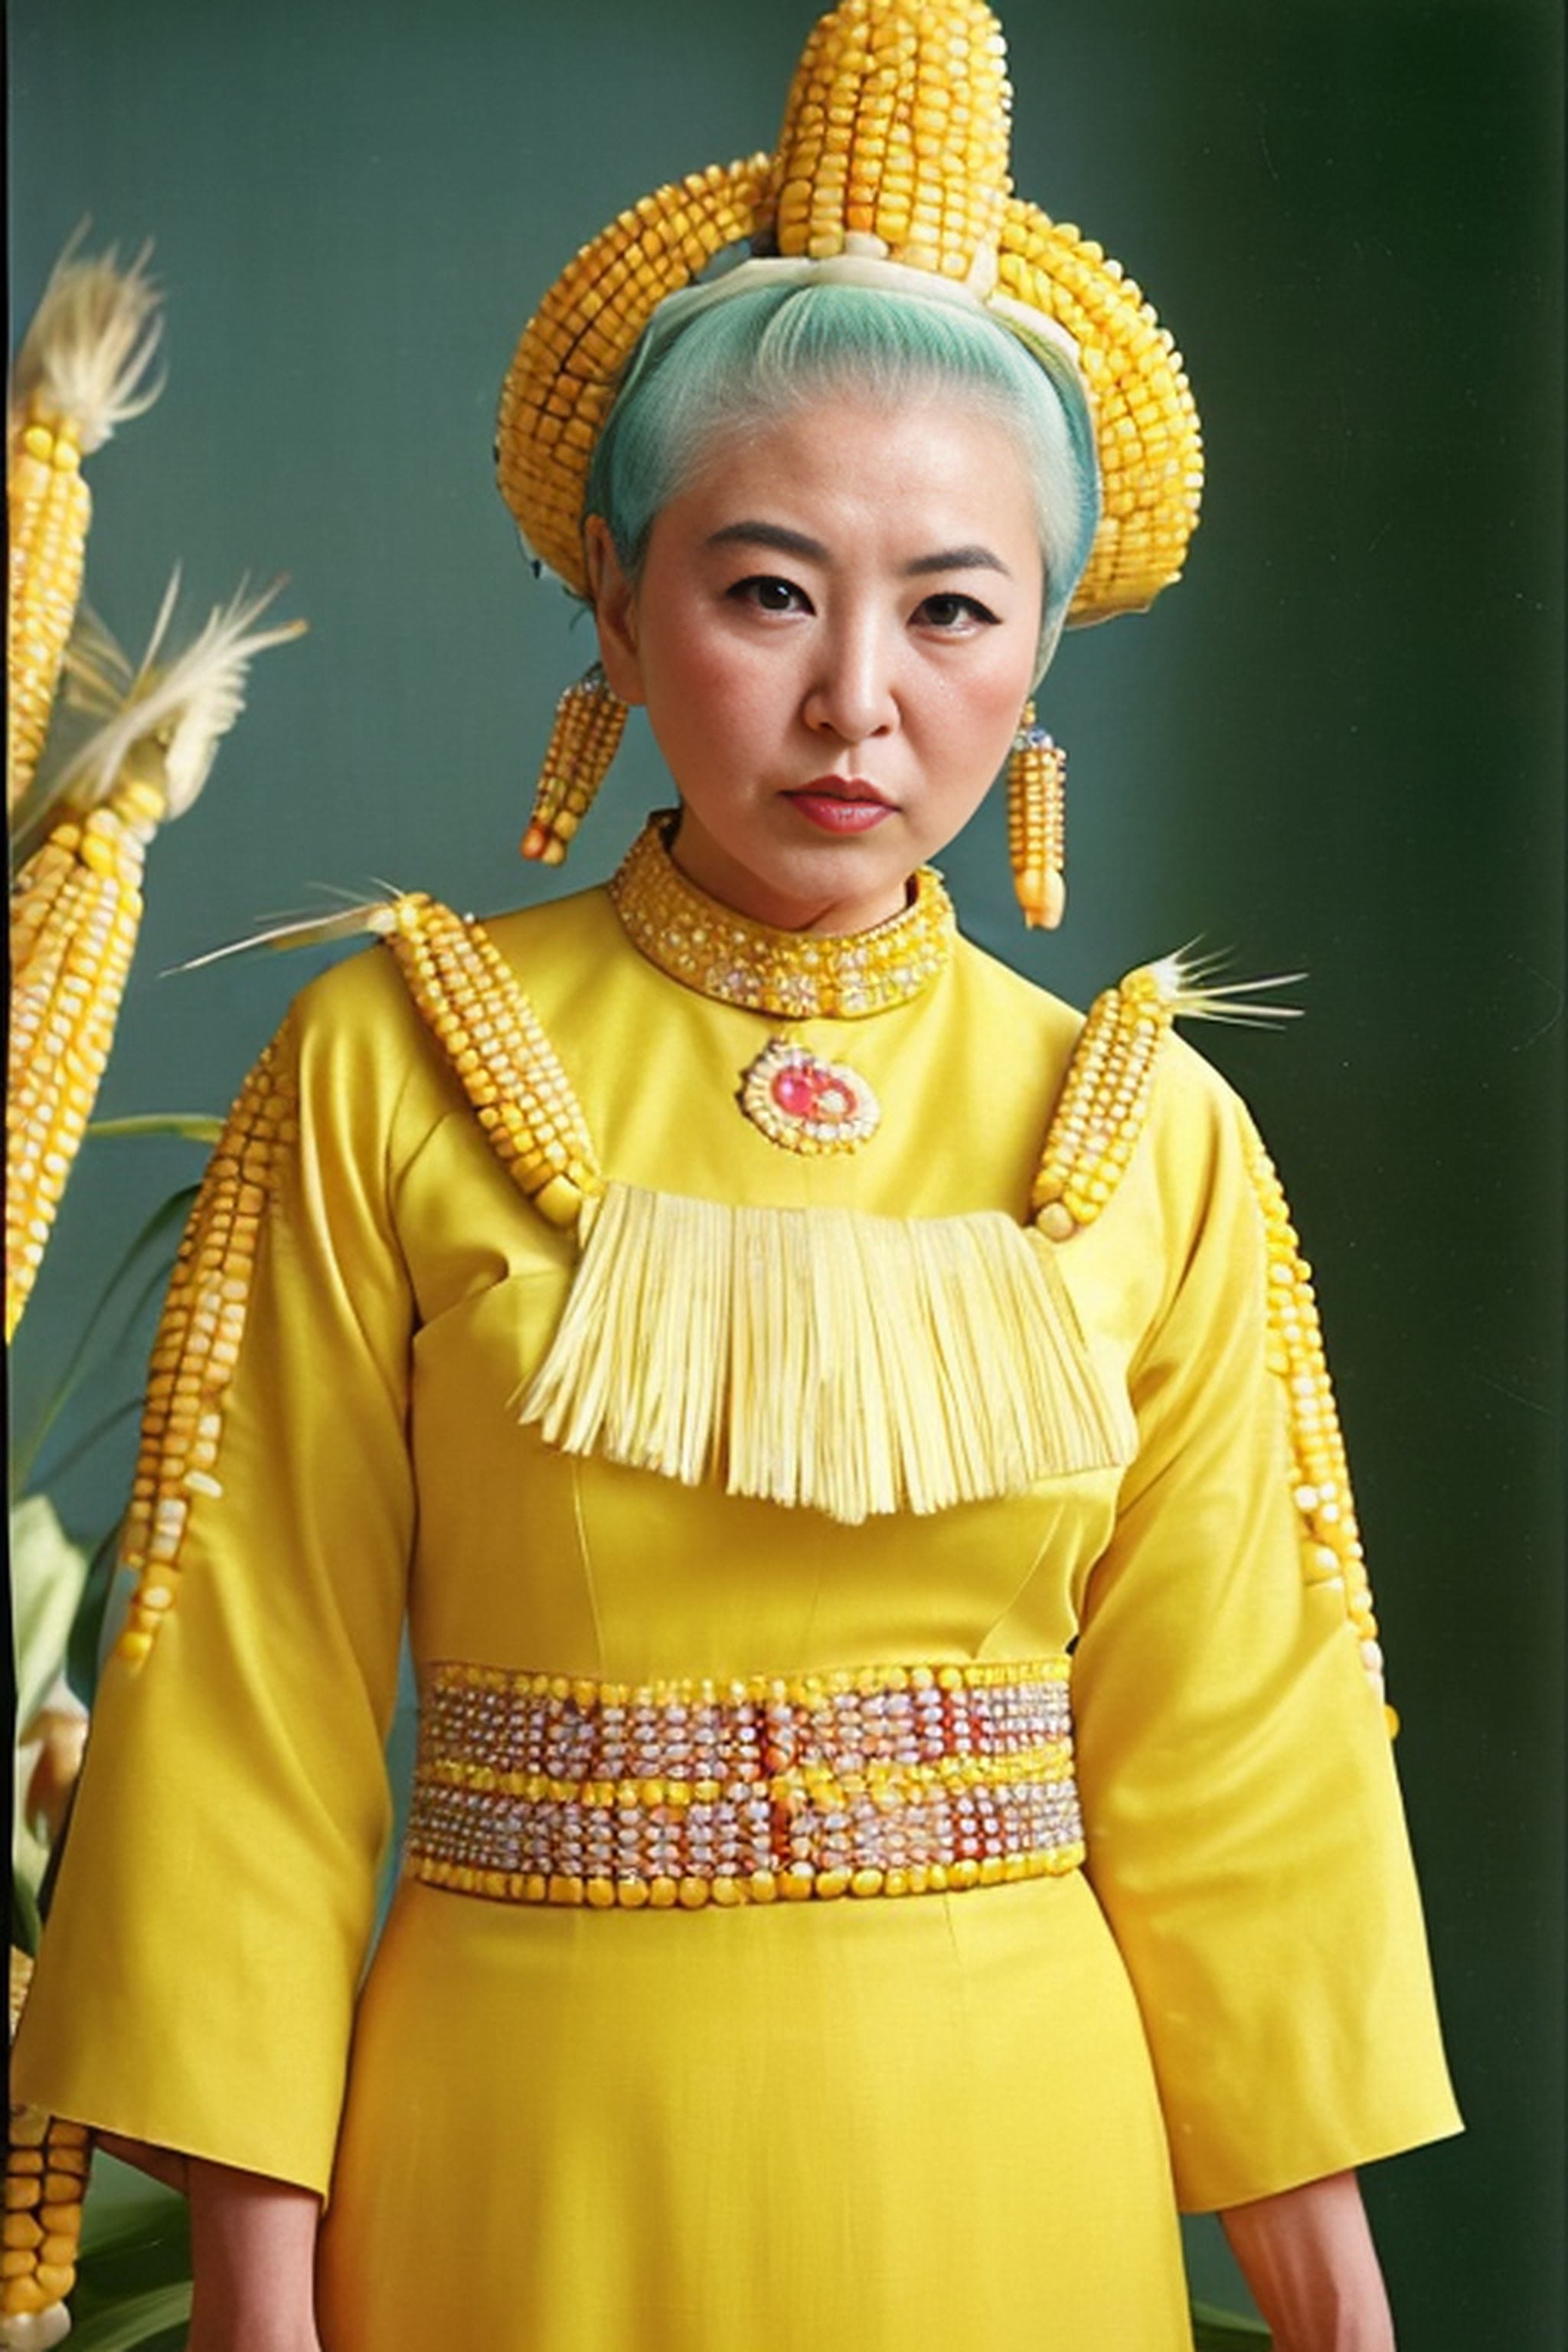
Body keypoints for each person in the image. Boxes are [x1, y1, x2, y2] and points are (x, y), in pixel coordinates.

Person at [11, 4, 1460, 2347]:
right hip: (514, 2175)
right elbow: (244, 1719)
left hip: (1024, 2176)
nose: (857, 698)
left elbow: (1246, 1767)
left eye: (953, 609)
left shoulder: (1151, 1131)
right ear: (613, 597)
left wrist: (1340, 2313)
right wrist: (264, 2318)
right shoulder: (389, 1061)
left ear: (1041, 651)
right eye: (770, 589)